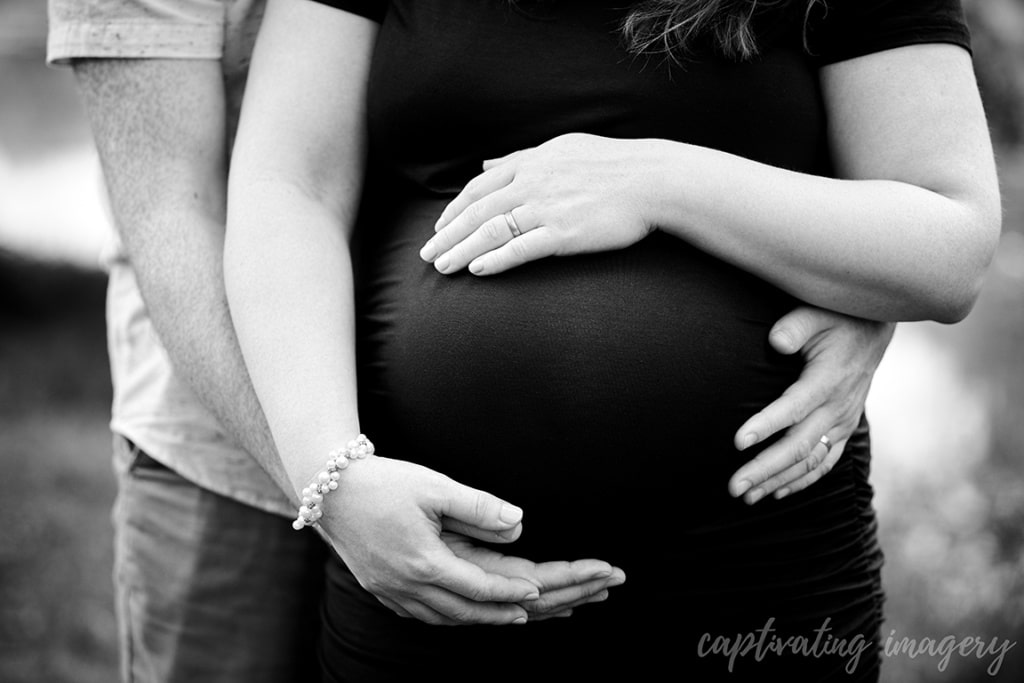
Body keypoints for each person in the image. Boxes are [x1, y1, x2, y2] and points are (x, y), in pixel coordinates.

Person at [223, 0, 999, 680]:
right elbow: (289, 187)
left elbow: (948, 241)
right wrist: (330, 474)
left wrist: (659, 182)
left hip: (755, 575)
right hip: (422, 574)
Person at [43, 0, 744, 679]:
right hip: (234, 449)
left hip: (442, 445)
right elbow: (170, 210)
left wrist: (850, 301)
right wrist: (328, 481)